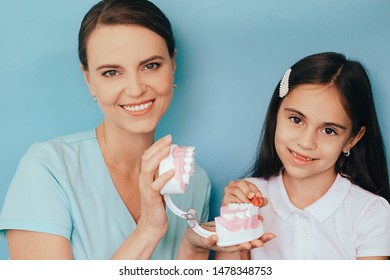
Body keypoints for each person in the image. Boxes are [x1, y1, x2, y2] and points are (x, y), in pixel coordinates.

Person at [0, 0, 268, 260]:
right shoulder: (48, 169)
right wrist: (148, 231)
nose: (136, 89)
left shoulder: (194, 180)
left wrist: (195, 247)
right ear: (89, 80)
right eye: (111, 72)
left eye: (150, 66)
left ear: (172, 65)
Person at [221, 52, 390, 260]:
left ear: (352, 139)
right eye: (296, 119)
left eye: (329, 130)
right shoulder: (246, 197)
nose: (306, 143)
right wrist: (234, 222)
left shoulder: (370, 213)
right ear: (276, 113)